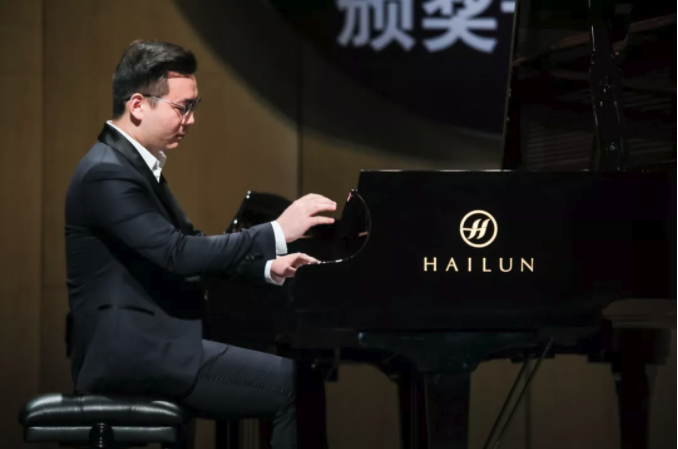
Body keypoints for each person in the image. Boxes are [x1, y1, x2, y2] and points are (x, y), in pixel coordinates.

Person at [64, 39, 336, 449]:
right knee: (296, 386)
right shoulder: (107, 174)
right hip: (134, 355)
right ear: (138, 105)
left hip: (152, 347)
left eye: (194, 106)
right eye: (182, 107)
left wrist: (267, 266)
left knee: (299, 380)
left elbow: (187, 244)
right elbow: (177, 254)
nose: (190, 120)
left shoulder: (131, 165)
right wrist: (277, 231)